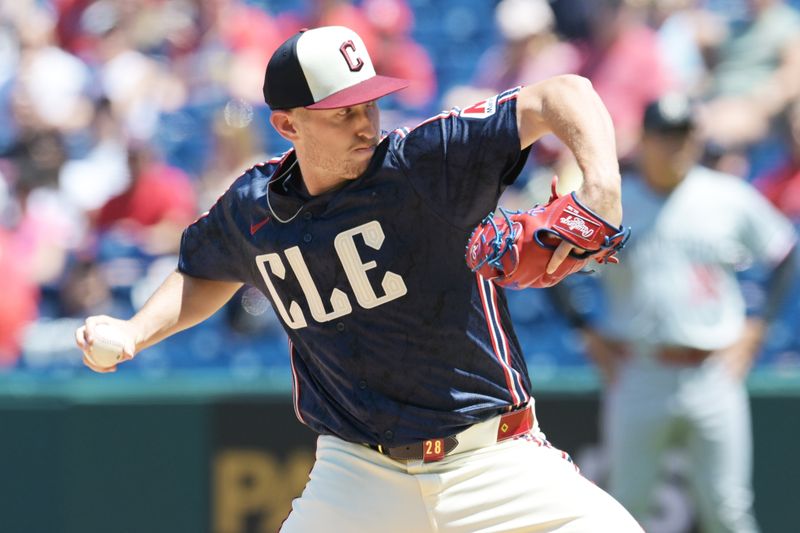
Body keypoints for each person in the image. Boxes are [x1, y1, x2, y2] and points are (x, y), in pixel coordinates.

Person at [75, 25, 641, 532]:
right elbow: (202, 270)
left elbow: (563, 93)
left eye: (368, 103)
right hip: (359, 474)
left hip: (491, 459)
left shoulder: (426, 164)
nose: (364, 122)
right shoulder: (253, 208)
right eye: (341, 111)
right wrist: (134, 333)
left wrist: (602, 186)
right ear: (287, 123)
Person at [552, 94, 798, 532]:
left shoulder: (725, 195)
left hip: (713, 371)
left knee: (728, 508)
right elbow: (553, 256)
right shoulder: (613, 202)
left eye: (684, 135)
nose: (676, 146)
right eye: (665, 135)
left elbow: (784, 251)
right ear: (645, 140)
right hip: (639, 369)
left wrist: (757, 330)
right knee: (625, 508)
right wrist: (585, 331)